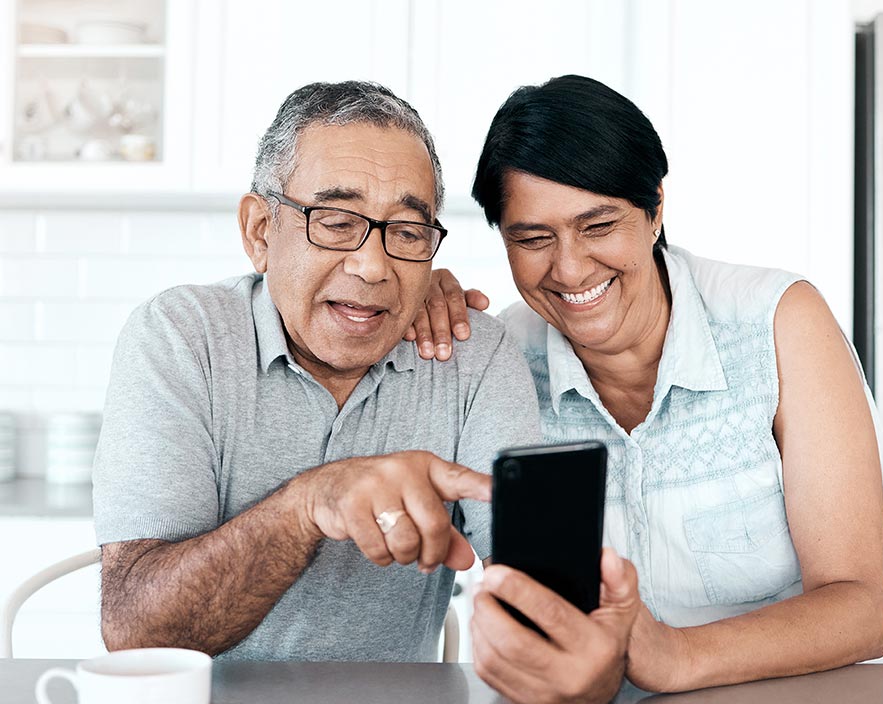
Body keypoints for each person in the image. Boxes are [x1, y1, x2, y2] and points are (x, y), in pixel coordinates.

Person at [410, 74, 883, 704]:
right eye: (533, 239)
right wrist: (411, 296)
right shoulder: (500, 363)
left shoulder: (777, 322)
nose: (569, 269)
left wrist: (672, 655)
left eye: (598, 225)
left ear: (656, 208)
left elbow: (863, 607)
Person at [92, 81, 545, 662]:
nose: (373, 266)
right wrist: (309, 504)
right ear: (260, 231)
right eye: (335, 221)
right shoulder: (183, 337)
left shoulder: (469, 351)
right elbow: (135, 631)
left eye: (406, 233)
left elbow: (538, 575)